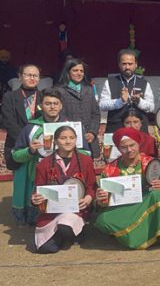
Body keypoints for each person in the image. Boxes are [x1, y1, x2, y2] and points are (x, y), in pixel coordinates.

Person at [11, 88, 89, 226]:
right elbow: (16, 156)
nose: (52, 106)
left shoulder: (73, 128)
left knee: (69, 218)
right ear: (41, 105)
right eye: (48, 103)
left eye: (55, 103)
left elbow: (87, 154)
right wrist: (30, 151)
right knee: (38, 220)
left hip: (69, 178)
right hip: (40, 178)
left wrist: (72, 149)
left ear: (61, 105)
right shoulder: (31, 128)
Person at [94, 127, 160, 249]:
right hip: (124, 209)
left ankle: (151, 236)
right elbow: (102, 203)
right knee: (103, 219)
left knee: (157, 195)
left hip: (145, 203)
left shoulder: (152, 164)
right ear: (118, 148)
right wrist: (101, 200)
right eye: (124, 147)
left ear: (138, 144)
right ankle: (136, 236)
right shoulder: (109, 169)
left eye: (132, 145)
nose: (129, 150)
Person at [31, 126, 96, 253]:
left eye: (72, 138)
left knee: (65, 228)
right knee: (47, 249)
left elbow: (92, 186)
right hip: (51, 213)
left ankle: (74, 233)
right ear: (55, 141)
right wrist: (35, 198)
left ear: (76, 140)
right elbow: (38, 190)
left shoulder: (86, 161)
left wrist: (88, 197)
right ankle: (67, 234)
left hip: (77, 210)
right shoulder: (43, 164)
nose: (68, 141)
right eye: (63, 138)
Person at [99, 49, 155, 133]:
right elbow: (102, 105)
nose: (127, 67)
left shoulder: (144, 83)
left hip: (139, 129)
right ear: (119, 64)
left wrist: (139, 101)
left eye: (130, 64)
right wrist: (120, 101)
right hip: (115, 128)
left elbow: (151, 107)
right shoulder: (110, 81)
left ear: (136, 65)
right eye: (124, 64)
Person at [55, 58, 101, 157]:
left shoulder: (88, 89)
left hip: (89, 140)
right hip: (69, 140)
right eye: (75, 70)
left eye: (81, 71)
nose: (79, 73)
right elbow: (59, 116)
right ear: (68, 72)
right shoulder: (59, 91)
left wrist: (92, 133)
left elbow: (96, 114)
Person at [1, 63, 42, 171]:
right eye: (28, 75)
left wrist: (38, 141)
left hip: (40, 146)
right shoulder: (9, 97)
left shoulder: (44, 97)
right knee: (21, 184)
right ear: (20, 76)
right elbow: (8, 122)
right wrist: (27, 140)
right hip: (17, 145)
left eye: (35, 75)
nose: (32, 78)